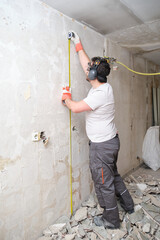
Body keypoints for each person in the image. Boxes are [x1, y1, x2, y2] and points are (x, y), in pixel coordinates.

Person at [62, 31, 134, 229]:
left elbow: (75, 107)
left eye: (90, 68)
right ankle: (128, 205)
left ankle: (111, 221)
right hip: (110, 141)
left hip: (102, 147)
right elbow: (86, 64)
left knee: (103, 183)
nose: (87, 69)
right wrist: (78, 44)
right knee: (114, 175)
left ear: (94, 74)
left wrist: (66, 97)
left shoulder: (99, 94)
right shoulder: (103, 86)